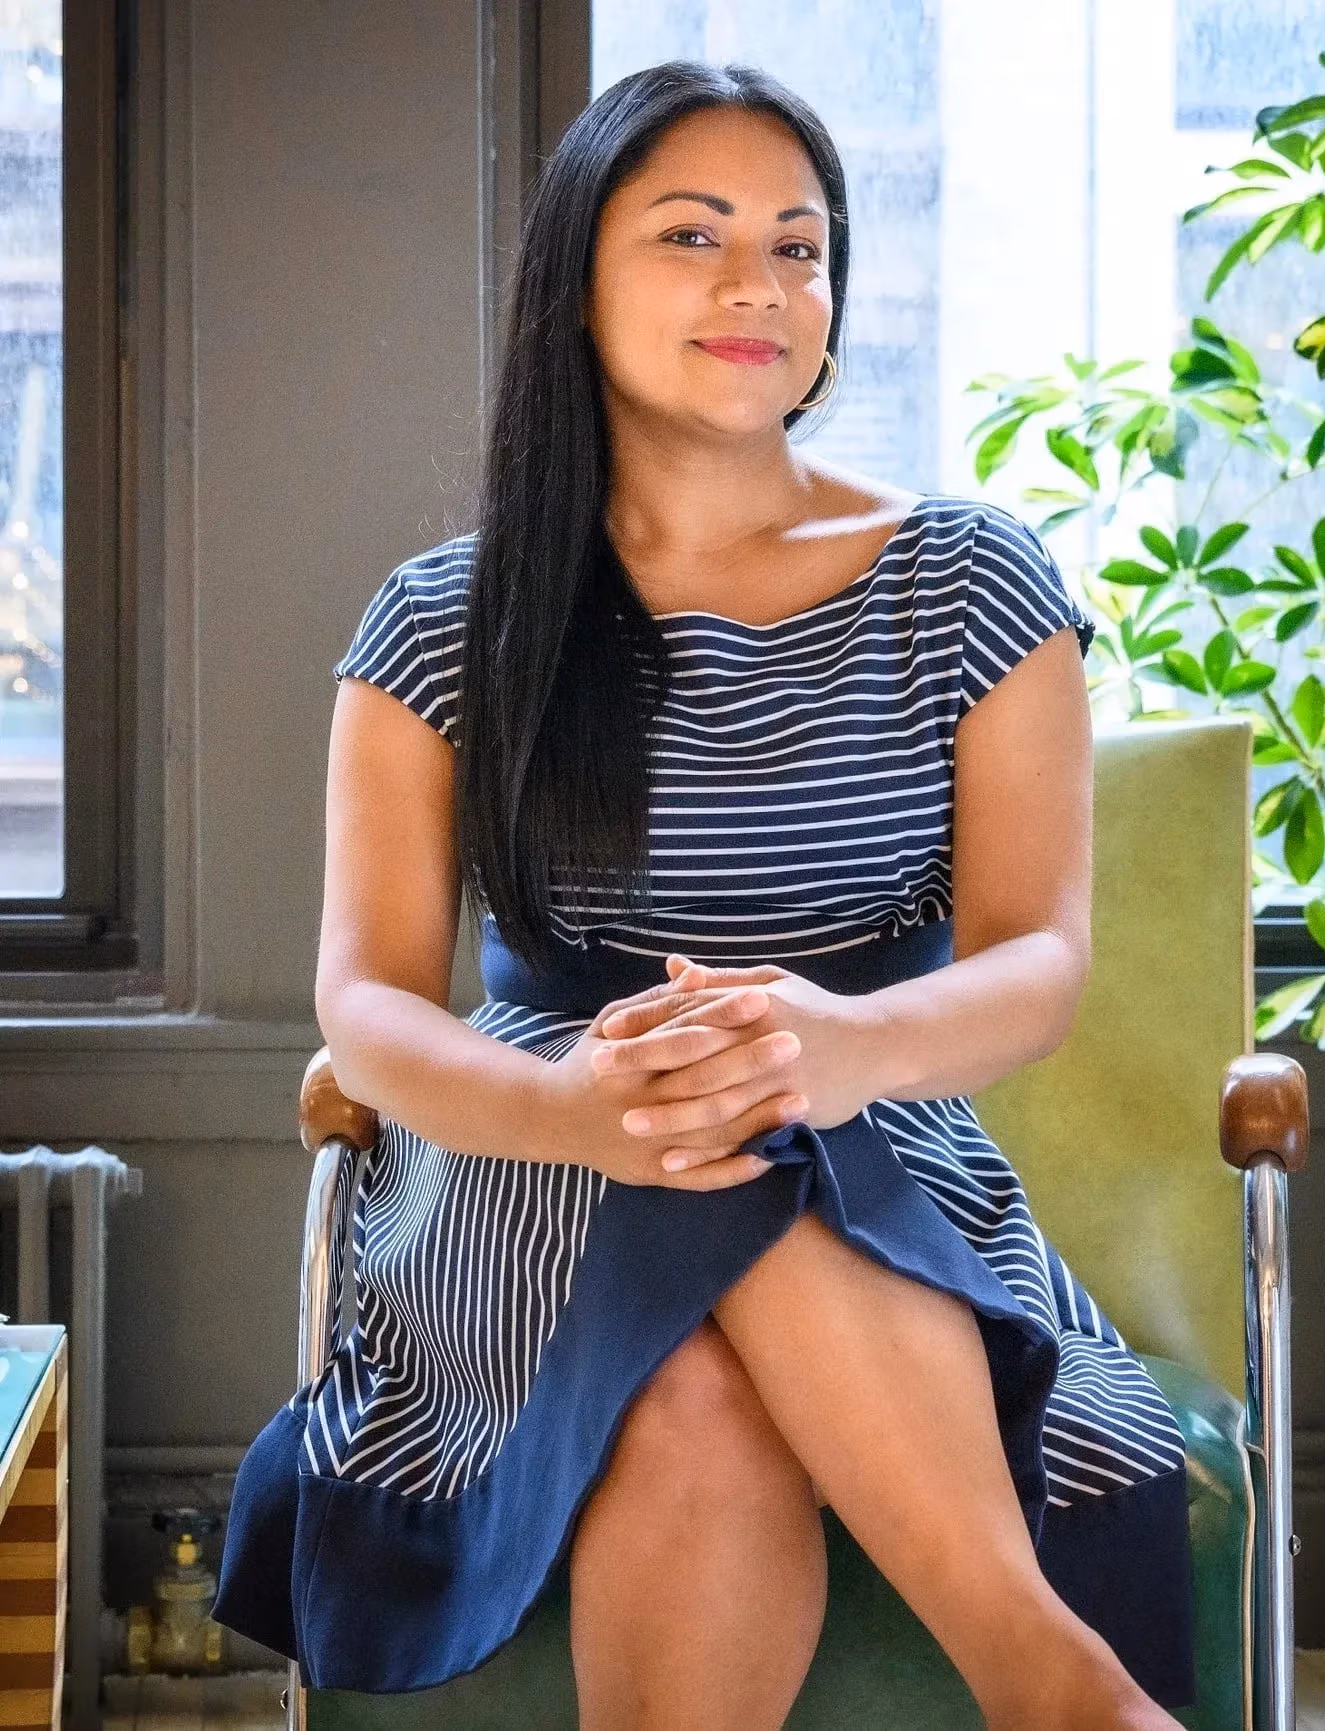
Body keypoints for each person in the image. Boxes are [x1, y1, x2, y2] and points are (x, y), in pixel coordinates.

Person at [212, 60, 1196, 1731]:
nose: (761, 283)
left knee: (743, 1176)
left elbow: (1038, 960)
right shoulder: (444, 618)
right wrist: (573, 1105)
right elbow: (367, 1003)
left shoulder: (971, 577)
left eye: (801, 247)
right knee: (696, 1163)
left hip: (874, 1133)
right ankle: (1061, 1687)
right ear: (576, 278)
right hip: (532, 1167)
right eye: (694, 233)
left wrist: (838, 1046)